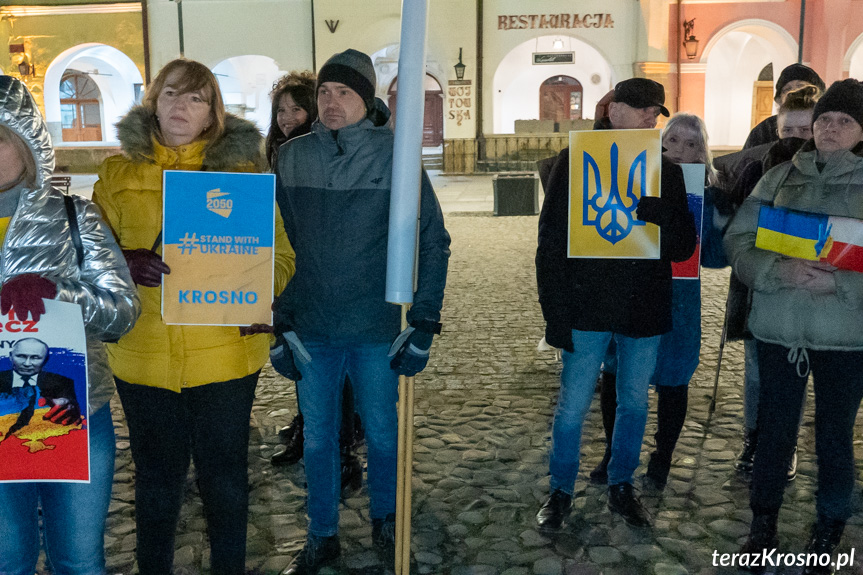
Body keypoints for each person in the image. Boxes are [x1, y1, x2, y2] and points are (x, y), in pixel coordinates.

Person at [91, 58, 295, 575]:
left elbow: (283, 256)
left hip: (225, 357)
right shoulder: (116, 174)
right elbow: (90, 259)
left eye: (195, 98)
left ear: (212, 114)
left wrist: (257, 293)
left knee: (225, 481)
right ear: (153, 103)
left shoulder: (243, 175)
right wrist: (123, 263)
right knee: (156, 483)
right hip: (142, 358)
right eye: (171, 94)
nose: (180, 106)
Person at [273, 48, 450, 573]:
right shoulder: (293, 157)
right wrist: (276, 324)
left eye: (344, 93)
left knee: (382, 433)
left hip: (375, 328)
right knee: (321, 439)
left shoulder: (395, 154)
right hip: (312, 329)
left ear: (366, 99)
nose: (331, 102)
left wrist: (424, 319)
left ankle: (385, 521)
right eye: (324, 92)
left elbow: (432, 240)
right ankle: (321, 534)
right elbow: (272, 245)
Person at [535, 78, 697, 530]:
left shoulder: (667, 172)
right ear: (613, 111)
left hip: (643, 307)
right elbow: (550, 242)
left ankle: (622, 483)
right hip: (587, 305)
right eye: (643, 107)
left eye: (657, 111)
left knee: (633, 402)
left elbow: (684, 247)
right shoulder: (574, 162)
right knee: (572, 404)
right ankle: (561, 489)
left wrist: (664, 214)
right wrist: (554, 312)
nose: (652, 116)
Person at [0, 75, 139, 575]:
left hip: (75, 414)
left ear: (26, 143)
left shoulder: (76, 217)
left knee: (78, 560)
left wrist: (60, 293)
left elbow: (122, 312)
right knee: (7, 560)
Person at [725, 79, 863, 574]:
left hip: (845, 337)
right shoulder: (780, 176)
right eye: (825, 119)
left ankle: (828, 531)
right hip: (779, 327)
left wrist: (842, 288)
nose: (830, 128)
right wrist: (774, 270)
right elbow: (739, 240)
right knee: (774, 432)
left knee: (834, 436)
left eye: (844, 120)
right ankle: (762, 524)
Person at [591, 113, 725, 491]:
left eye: (692, 144)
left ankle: (663, 455)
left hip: (679, 302)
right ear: (657, 144)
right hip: (632, 291)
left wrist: (720, 223)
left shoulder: (708, 194)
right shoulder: (632, 181)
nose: (681, 150)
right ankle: (614, 452)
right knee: (617, 374)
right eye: (673, 140)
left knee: (673, 380)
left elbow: (714, 257)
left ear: (703, 154)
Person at [266, 72, 363, 493]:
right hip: (290, 272)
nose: (288, 117)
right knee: (303, 361)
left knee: (329, 370)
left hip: (322, 278)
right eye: (281, 110)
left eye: (297, 108)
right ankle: (306, 426)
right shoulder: (280, 153)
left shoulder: (323, 153)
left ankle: (337, 448)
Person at [731, 85, 821, 480]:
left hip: (816, 288)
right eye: (789, 131)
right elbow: (737, 232)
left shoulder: (834, 172)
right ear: (777, 130)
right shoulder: (757, 170)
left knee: (800, 369)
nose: (797, 139)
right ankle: (754, 436)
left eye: (805, 131)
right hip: (762, 286)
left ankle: (786, 443)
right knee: (757, 368)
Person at [0, 338, 81, 432]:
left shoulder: (63, 382)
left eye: (35, 358)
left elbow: (71, 407)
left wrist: (70, 408)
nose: (27, 363)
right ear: (10, 356)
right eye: (21, 356)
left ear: (46, 360)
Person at [743, 63, 825, 149]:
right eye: (787, 89)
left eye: (800, 86)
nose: (794, 91)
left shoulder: (827, 125)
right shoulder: (764, 130)